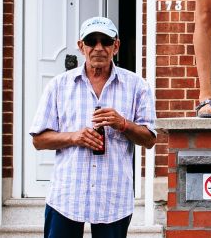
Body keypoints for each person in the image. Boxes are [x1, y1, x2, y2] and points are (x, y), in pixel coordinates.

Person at [30, 16, 156, 238]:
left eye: (105, 41)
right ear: (81, 46)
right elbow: (38, 140)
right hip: (67, 195)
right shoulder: (59, 86)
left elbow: (149, 139)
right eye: (91, 41)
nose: (98, 48)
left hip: (113, 196)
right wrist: (74, 137)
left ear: (115, 46)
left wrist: (123, 124)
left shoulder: (137, 86)